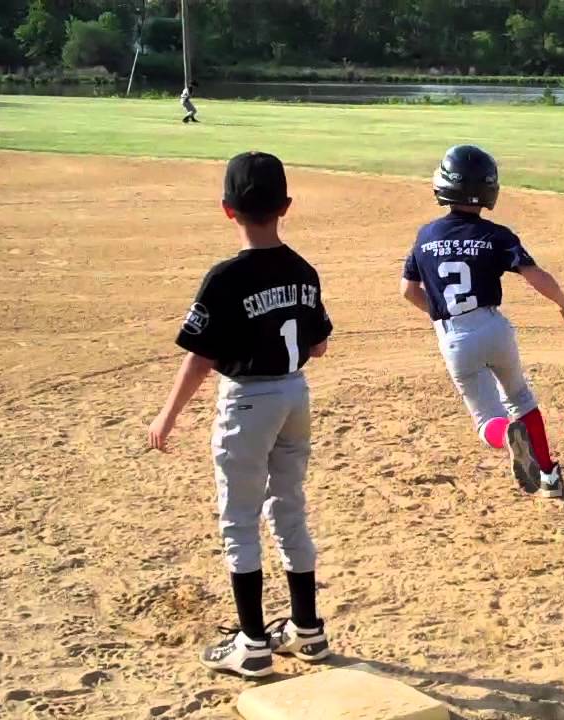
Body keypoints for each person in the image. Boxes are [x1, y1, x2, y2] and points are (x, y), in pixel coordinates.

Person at [147, 151, 333, 677]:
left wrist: (168, 415)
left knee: (239, 520)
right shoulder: (303, 269)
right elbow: (318, 346)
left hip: (248, 400)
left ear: (228, 210)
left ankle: (251, 642)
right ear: (286, 207)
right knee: (289, 508)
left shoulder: (224, 278)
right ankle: (307, 629)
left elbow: (201, 358)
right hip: (296, 396)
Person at [399, 145, 564, 499]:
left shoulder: (426, 236)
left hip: (456, 337)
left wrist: (439, 313)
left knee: (488, 421)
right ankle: (548, 476)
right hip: (495, 329)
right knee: (522, 399)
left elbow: (408, 290)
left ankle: (508, 440)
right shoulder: (496, 235)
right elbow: (534, 274)